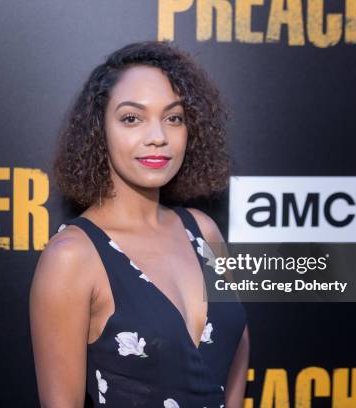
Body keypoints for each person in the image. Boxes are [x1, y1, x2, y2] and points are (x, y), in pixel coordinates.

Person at [30, 41, 249, 408]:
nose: (157, 137)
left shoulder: (204, 230)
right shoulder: (73, 257)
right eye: (132, 118)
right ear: (100, 130)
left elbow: (238, 348)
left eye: (173, 118)